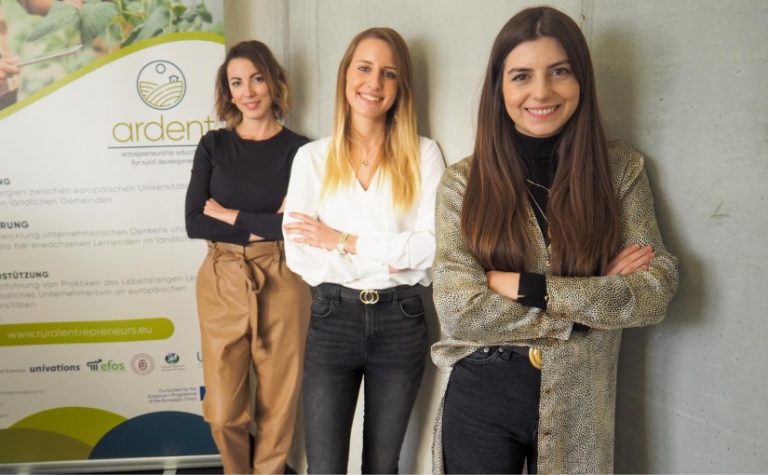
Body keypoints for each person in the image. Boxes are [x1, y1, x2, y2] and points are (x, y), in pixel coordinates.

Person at [431, 6, 679, 474]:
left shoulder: (621, 171)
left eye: (558, 72)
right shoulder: (462, 184)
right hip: (482, 392)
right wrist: (592, 300)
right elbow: (456, 306)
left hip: (581, 398)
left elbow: (655, 290)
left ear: (580, 79)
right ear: (499, 88)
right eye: (521, 76)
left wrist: (528, 287)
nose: (541, 91)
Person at [282, 27, 445, 474]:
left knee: (383, 466)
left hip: (403, 321)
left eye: (389, 74)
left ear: (401, 87)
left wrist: (340, 241)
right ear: (346, 76)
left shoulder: (424, 155)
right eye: (365, 68)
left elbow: (432, 249)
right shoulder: (312, 159)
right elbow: (300, 255)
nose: (374, 83)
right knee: (325, 468)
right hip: (333, 319)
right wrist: (393, 252)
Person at [185, 40, 311, 475]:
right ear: (228, 91)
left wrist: (230, 213)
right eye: (237, 82)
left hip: (282, 274)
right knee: (222, 411)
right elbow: (194, 222)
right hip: (222, 276)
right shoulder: (213, 145)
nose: (248, 91)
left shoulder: (302, 151)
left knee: (278, 403)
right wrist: (262, 220)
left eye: (257, 78)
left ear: (274, 82)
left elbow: (291, 228)